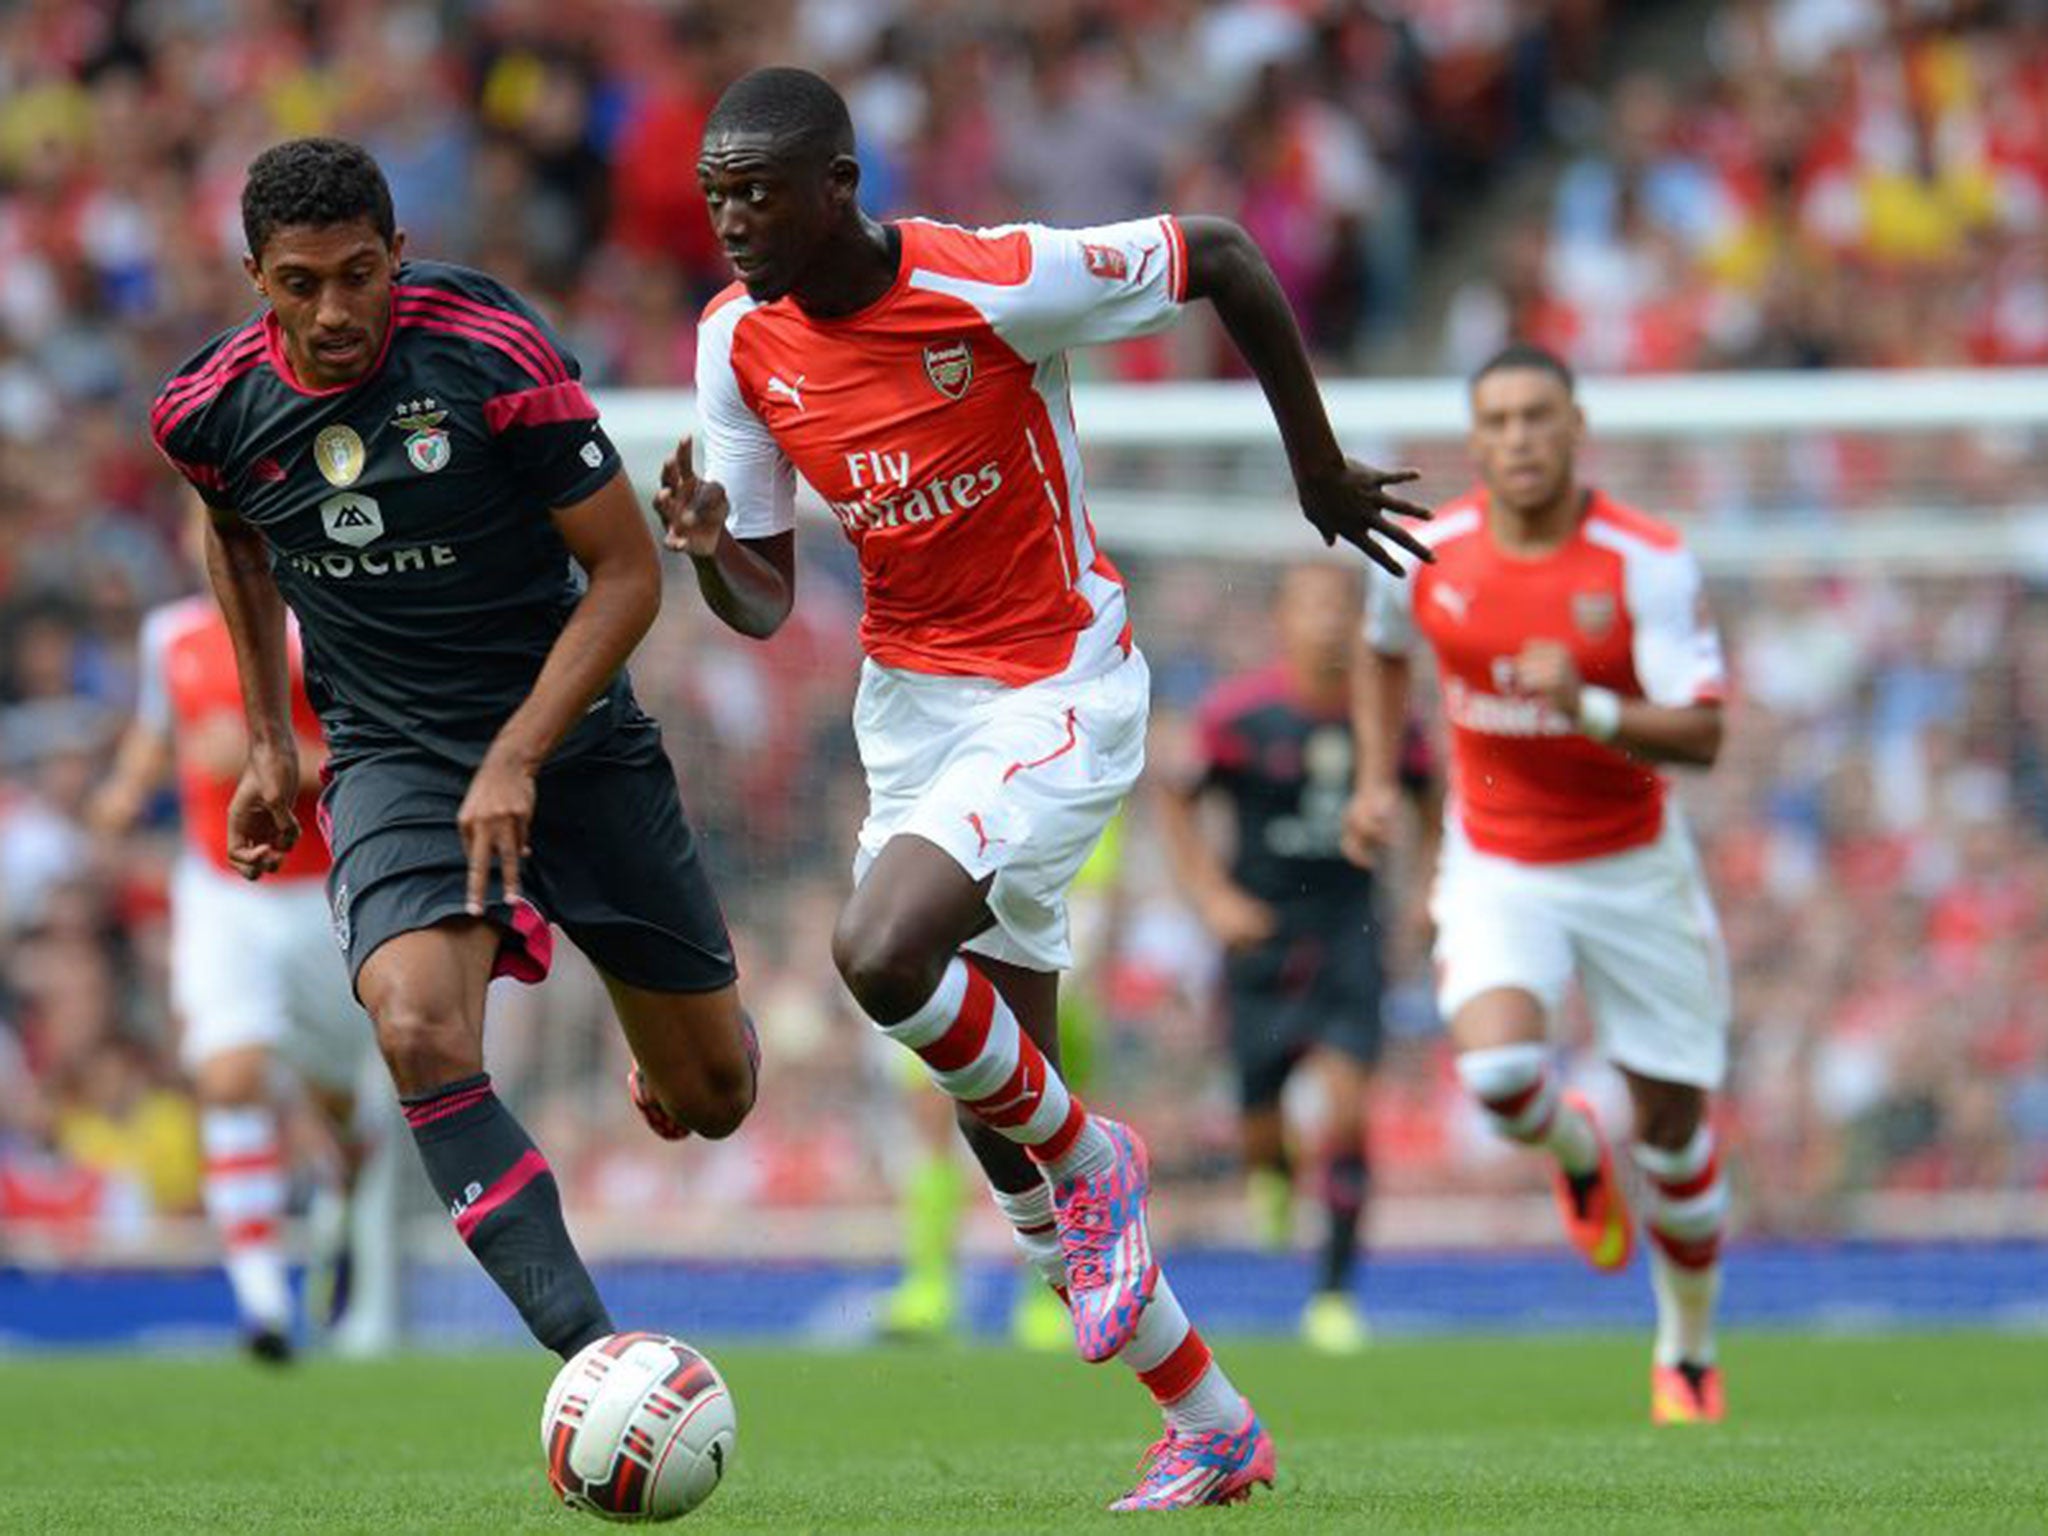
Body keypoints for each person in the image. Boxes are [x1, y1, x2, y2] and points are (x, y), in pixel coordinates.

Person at [659, 66, 1431, 1509]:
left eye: (759, 191)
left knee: (881, 953)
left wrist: (1315, 473)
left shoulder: (990, 284)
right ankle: (1211, 1421)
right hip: (910, 715)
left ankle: (1102, 1155)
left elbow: (1229, 255)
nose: (734, 220)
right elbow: (761, 598)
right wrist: (712, 545)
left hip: (1058, 689)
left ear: (840, 185)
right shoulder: (736, 345)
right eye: (718, 197)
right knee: (1004, 1145)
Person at [148, 137, 758, 1363]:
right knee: (419, 1028)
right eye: (300, 282)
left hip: (573, 741)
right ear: (254, 275)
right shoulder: (207, 410)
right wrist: (272, 741)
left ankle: (668, 1054)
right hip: (395, 759)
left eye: (360, 275)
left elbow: (629, 573)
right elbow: (237, 541)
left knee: (716, 1101)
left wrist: (519, 754)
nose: (334, 311)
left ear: (398, 258)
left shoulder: (487, 351)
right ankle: (596, 1359)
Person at [1344, 342, 1732, 1425]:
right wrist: (1378, 778)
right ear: (1474, 442)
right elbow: (1378, 650)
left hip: (1629, 866)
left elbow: (1702, 733)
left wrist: (1592, 710)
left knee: (1673, 1132)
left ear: (1575, 429)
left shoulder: (1642, 560)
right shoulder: (1430, 548)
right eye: (1497, 421)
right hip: (1497, 858)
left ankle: (1686, 1352)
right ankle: (1570, 1147)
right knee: (1503, 1072)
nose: (1516, 438)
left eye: (1535, 417)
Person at [89, 566, 400, 1361]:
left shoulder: (323, 621)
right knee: (228, 1074)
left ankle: (347, 1192)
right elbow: (161, 733)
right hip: (222, 890)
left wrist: (272, 758)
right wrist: (124, 790)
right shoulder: (172, 634)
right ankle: (261, 1301)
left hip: (322, 892)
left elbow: (373, 756)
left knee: (338, 1101)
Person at [1156, 562, 1431, 1356]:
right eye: (1309, 606)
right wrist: (1212, 898)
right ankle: (1272, 1176)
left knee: (1346, 1109)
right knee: (1260, 1126)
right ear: (1281, 621)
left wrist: (1423, 889)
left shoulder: (1386, 720)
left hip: (1351, 930)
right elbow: (1175, 795)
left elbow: (1430, 794)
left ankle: (1335, 1295)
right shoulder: (1241, 716)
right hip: (1261, 936)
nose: (1325, 621)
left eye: (1339, 607)